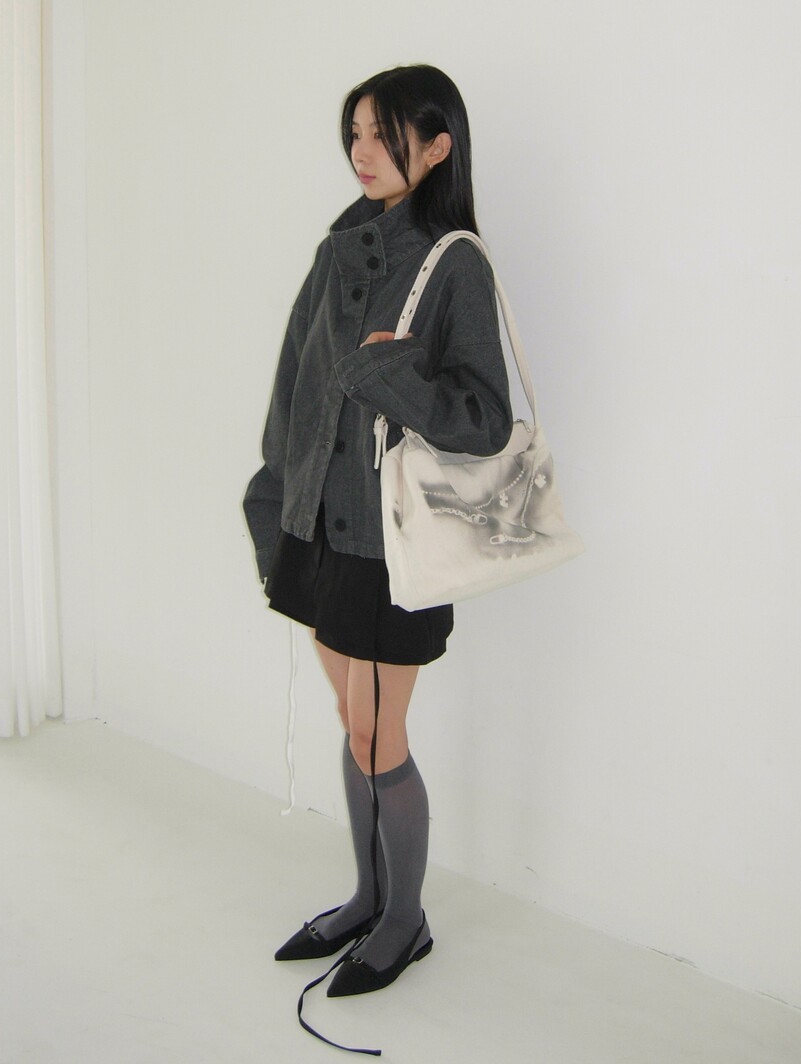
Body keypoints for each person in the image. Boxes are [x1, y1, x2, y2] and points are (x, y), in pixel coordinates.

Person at [243, 64, 513, 998]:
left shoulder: (455, 263)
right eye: (353, 132)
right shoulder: (339, 250)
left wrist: (390, 377)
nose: (361, 151)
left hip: (396, 542)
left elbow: (486, 419)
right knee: (354, 726)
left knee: (375, 734)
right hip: (319, 522)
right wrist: (275, 504)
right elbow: (294, 387)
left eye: (382, 134)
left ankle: (405, 920)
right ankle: (367, 898)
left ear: (437, 148)